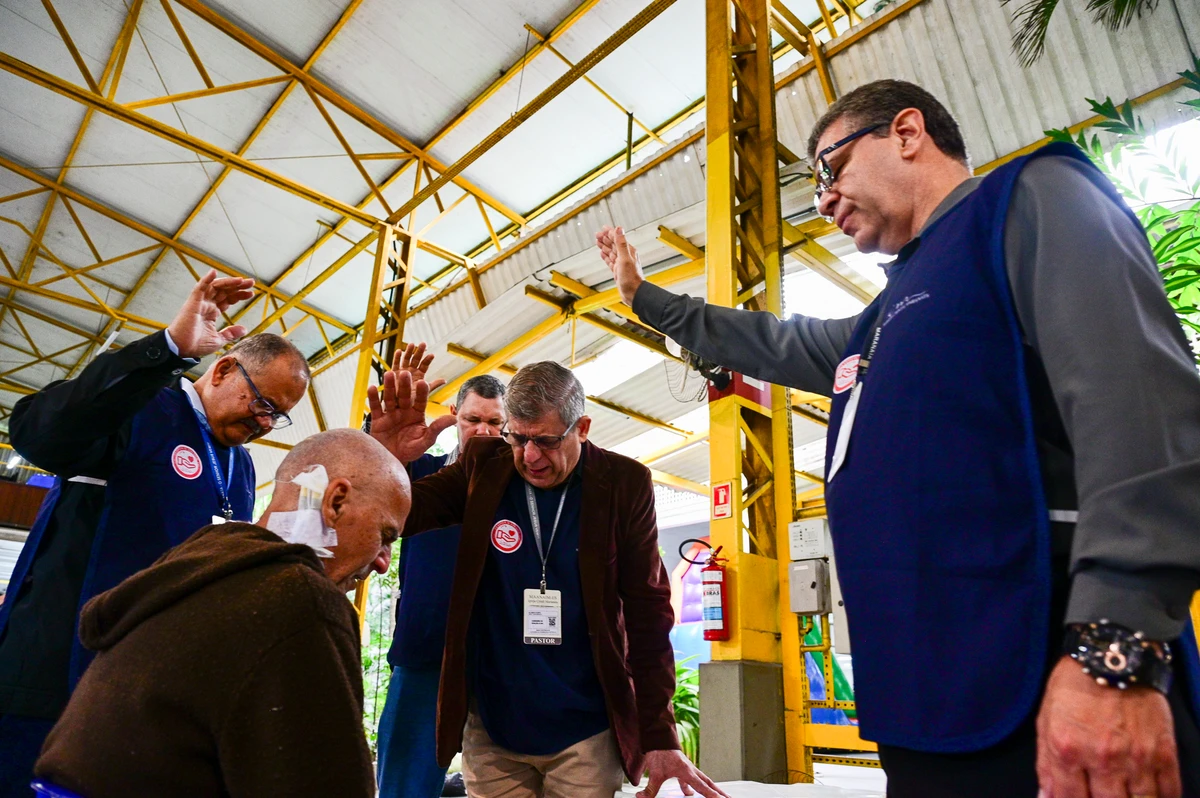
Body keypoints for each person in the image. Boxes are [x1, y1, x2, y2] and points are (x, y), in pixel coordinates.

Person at [595, 79, 1200, 797]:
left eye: (829, 168)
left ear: (907, 132)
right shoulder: (879, 321)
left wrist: (1114, 653)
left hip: (1049, 682)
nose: (821, 200)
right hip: (928, 706)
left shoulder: (1027, 201)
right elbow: (767, 339)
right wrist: (643, 299)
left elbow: (1143, 415)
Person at [0, 270, 310, 796]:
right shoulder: (141, 406)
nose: (264, 422)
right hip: (52, 674)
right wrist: (167, 350)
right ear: (225, 369)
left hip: (139, 689)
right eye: (262, 403)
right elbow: (39, 433)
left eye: (278, 416)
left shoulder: (238, 467)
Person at [367, 359, 727, 798]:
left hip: (586, 731)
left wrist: (659, 734)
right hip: (493, 726)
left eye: (546, 441)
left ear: (583, 427)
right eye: (517, 438)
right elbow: (404, 513)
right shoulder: (485, 466)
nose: (530, 457)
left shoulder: (623, 484)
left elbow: (648, 615)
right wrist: (384, 458)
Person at [32, 428, 409, 797]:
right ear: (336, 501)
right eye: (387, 536)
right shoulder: (300, 598)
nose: (381, 562)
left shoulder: (200, 566)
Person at [375, 344, 507, 798]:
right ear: (454, 416)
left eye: (495, 423)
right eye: (474, 420)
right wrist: (383, 443)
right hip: (425, 654)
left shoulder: (525, 489)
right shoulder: (417, 475)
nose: (484, 431)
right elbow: (359, 487)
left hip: (501, 661)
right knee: (405, 788)